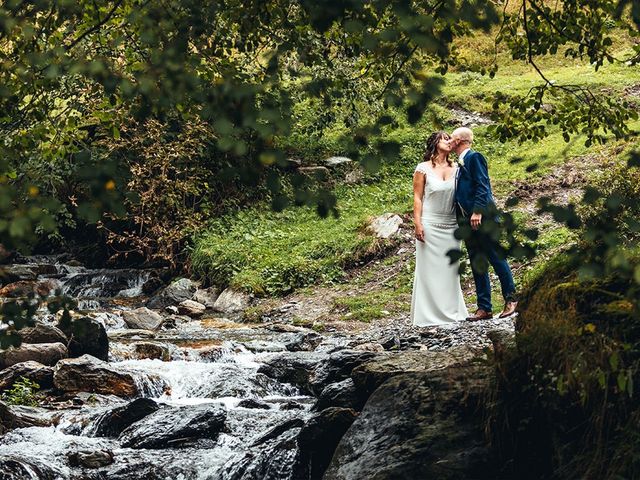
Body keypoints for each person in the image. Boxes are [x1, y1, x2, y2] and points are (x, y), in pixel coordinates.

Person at [451, 127, 518, 321]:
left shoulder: (474, 157)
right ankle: (484, 308)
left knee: (496, 258)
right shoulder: (459, 164)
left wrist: (478, 211)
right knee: (477, 262)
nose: (450, 139)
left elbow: (483, 185)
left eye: (453, 137)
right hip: (467, 222)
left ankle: (511, 299)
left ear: (461, 140)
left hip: (483, 218)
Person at [411, 131, 469, 326]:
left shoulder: (458, 168)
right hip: (429, 224)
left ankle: (453, 312)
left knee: (450, 271)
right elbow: (418, 197)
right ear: (436, 143)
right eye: (445, 139)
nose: (449, 142)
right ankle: (427, 316)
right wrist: (417, 223)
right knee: (428, 271)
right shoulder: (423, 168)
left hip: (451, 225)